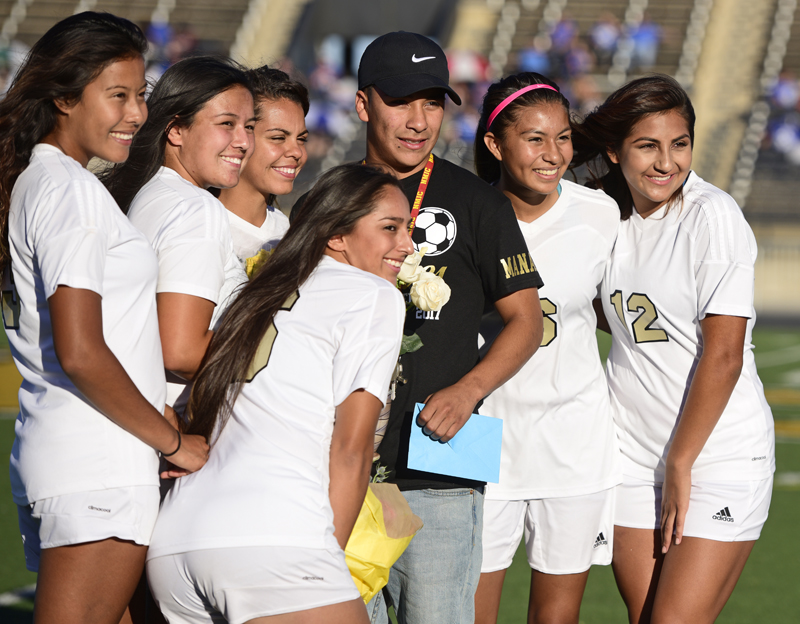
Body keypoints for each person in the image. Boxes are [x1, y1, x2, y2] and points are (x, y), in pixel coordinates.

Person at [294, 31, 544, 624]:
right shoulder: (323, 203)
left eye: (432, 102)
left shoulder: (477, 201)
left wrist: (467, 390)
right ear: (362, 105)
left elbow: (525, 322)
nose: (418, 120)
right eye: (402, 100)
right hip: (336, 467)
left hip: (441, 467)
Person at [0, 13, 208, 623]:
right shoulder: (70, 190)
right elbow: (81, 350)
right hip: (98, 467)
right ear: (63, 97)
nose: (137, 114)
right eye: (117, 95)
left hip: (74, 459)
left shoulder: (43, 180)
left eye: (140, 95)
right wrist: (173, 441)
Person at [145, 163, 411, 624]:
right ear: (335, 237)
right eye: (390, 228)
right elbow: (350, 451)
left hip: (175, 544)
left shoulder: (257, 293)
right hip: (272, 539)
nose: (408, 244)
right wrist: (330, 558)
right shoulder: (373, 294)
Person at [571, 75, 775, 624]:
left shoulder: (713, 216)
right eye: (647, 146)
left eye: (678, 144)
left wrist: (682, 460)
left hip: (716, 457)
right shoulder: (601, 216)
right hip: (631, 458)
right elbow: (619, 319)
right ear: (613, 152)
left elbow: (725, 353)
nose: (666, 162)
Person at [472, 73, 621, 624]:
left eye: (562, 137)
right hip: (479, 441)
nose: (553, 153)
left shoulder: (600, 215)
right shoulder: (463, 214)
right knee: (463, 612)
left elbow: (613, 312)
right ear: (495, 144)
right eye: (534, 138)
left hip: (573, 441)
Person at [102, 57, 253, 413]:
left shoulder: (153, 194)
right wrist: (275, 356)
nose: (244, 141)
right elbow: (180, 350)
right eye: (227, 124)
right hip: (177, 428)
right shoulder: (195, 208)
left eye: (248, 126)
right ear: (176, 130)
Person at [218, 66, 309, 277]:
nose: (296, 152)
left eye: (302, 139)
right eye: (278, 138)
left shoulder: (287, 231)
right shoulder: (201, 225)